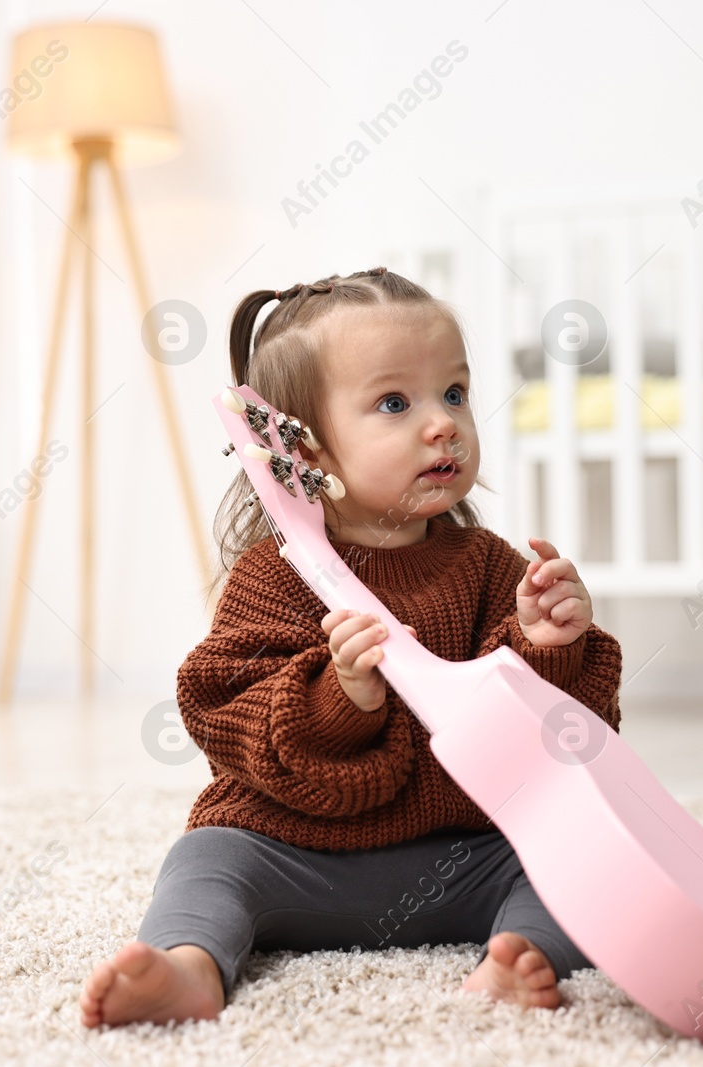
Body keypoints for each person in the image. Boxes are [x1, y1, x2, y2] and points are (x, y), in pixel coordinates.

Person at [80, 267, 624, 1027]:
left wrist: (549, 643)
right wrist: (340, 697)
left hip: (459, 857)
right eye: (396, 403)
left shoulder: (489, 565)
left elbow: (551, 737)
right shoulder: (272, 578)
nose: (442, 423)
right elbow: (226, 712)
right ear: (307, 452)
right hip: (298, 856)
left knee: (576, 856)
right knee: (208, 858)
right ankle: (191, 966)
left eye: (455, 394)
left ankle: (517, 951)